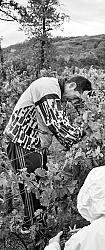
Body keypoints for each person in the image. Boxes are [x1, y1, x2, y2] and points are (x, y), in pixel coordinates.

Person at [4, 75, 92, 230]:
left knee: (38, 184)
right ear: (71, 85)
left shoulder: (57, 93)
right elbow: (57, 124)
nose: (75, 101)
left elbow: (61, 121)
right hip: (22, 142)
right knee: (31, 187)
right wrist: (84, 131)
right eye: (77, 96)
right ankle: (34, 228)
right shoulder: (48, 88)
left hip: (34, 144)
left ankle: (37, 222)